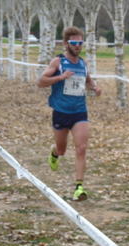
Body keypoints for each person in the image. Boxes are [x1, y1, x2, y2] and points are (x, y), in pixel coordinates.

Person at [37, 26, 101, 201]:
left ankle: (79, 187)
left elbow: (88, 80)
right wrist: (60, 77)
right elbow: (41, 81)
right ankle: (54, 153)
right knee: (62, 149)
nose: (78, 46)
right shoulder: (57, 62)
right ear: (66, 43)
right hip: (61, 111)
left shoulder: (82, 63)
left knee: (81, 148)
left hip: (79, 112)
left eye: (80, 43)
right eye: (74, 43)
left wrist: (95, 87)